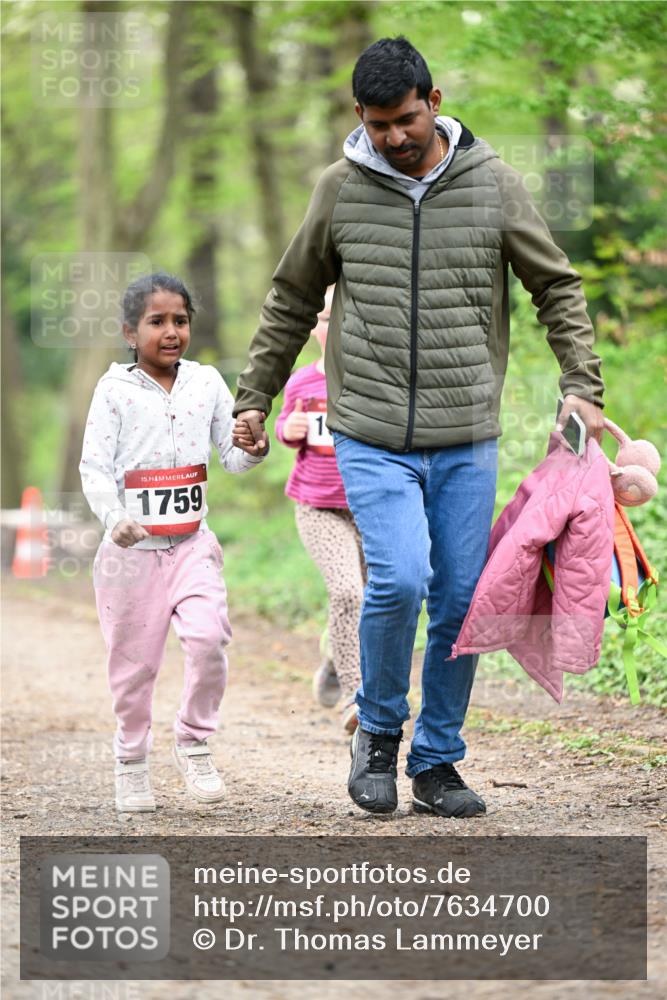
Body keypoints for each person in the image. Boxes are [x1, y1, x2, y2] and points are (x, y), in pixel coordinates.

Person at [232, 37, 605, 819]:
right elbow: (290, 297)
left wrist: (581, 385)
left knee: (464, 598)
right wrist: (254, 398)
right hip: (368, 429)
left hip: (464, 432)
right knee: (397, 580)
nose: (394, 138)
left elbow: (556, 288)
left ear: (433, 104)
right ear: (357, 118)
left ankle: (436, 761)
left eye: (404, 120)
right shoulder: (338, 190)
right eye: (377, 126)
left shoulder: (494, 185)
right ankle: (375, 733)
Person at [80, 272, 267, 813]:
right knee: (133, 668)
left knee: (209, 640)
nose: (170, 331)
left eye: (180, 321)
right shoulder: (113, 391)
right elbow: (93, 467)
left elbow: (233, 458)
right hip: (129, 559)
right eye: (156, 321)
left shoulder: (206, 383)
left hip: (191, 546)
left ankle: (193, 740)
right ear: (129, 332)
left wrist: (253, 446)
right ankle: (132, 759)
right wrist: (114, 516)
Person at [274, 286, 365, 734]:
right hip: (318, 507)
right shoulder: (302, 382)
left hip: (371, 507)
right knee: (348, 592)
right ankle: (354, 692)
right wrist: (286, 428)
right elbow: (284, 425)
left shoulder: (374, 379)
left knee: (374, 600)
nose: (336, 327)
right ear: (314, 327)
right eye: (327, 318)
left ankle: (333, 657)